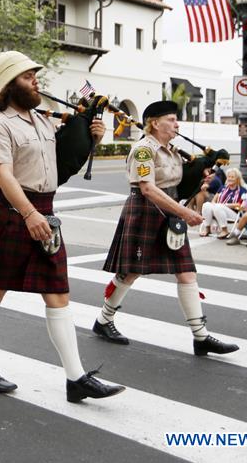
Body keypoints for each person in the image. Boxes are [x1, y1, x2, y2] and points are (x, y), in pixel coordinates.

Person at [0, 51, 125, 402]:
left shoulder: (42, 120)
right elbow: (2, 174)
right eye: (29, 77)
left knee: (58, 292)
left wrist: (94, 137)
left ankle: (76, 378)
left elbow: (60, 162)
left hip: (45, 210)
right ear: (11, 84)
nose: (36, 81)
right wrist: (29, 214)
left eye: (35, 76)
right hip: (12, 212)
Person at [93, 100, 239, 356]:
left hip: (169, 212)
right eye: (171, 119)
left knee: (186, 272)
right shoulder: (143, 150)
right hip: (146, 210)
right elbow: (148, 189)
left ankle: (200, 336)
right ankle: (104, 321)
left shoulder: (172, 151)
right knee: (130, 272)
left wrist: (203, 170)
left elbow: (178, 185)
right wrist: (185, 212)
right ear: (154, 123)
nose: (176, 124)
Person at [198, 167, 247, 238]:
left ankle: (224, 230)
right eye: (229, 177)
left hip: (234, 213)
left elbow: (241, 205)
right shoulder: (223, 188)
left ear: (237, 179)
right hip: (218, 209)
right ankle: (207, 229)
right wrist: (213, 204)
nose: (230, 179)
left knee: (219, 206)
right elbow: (214, 200)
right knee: (206, 205)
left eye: (232, 177)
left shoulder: (242, 190)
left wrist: (226, 205)